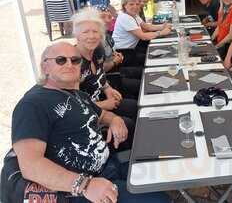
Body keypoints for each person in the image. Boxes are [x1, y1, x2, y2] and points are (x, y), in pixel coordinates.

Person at [10, 42, 169, 203]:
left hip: (110, 164)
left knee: (163, 166)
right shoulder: (33, 104)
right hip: (81, 188)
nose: (69, 64)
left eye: (75, 60)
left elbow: (102, 115)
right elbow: (31, 165)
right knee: (157, 199)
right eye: (60, 60)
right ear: (45, 67)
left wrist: (115, 119)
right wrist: (84, 185)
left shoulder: (76, 94)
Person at [73, 8, 137, 119]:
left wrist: (107, 89)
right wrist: (104, 105)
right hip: (86, 116)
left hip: (100, 101)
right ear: (77, 36)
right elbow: (74, 106)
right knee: (130, 122)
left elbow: (100, 74)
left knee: (136, 107)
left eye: (95, 31)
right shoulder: (72, 63)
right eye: (85, 32)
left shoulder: (98, 51)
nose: (91, 36)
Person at [112, 0, 172, 65]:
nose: (135, 6)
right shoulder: (125, 17)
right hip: (123, 53)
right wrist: (161, 32)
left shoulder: (133, 14)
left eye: (137, 4)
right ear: (124, 5)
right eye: (131, 4)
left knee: (162, 49)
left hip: (134, 47)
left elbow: (147, 26)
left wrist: (162, 26)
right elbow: (143, 36)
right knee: (158, 58)